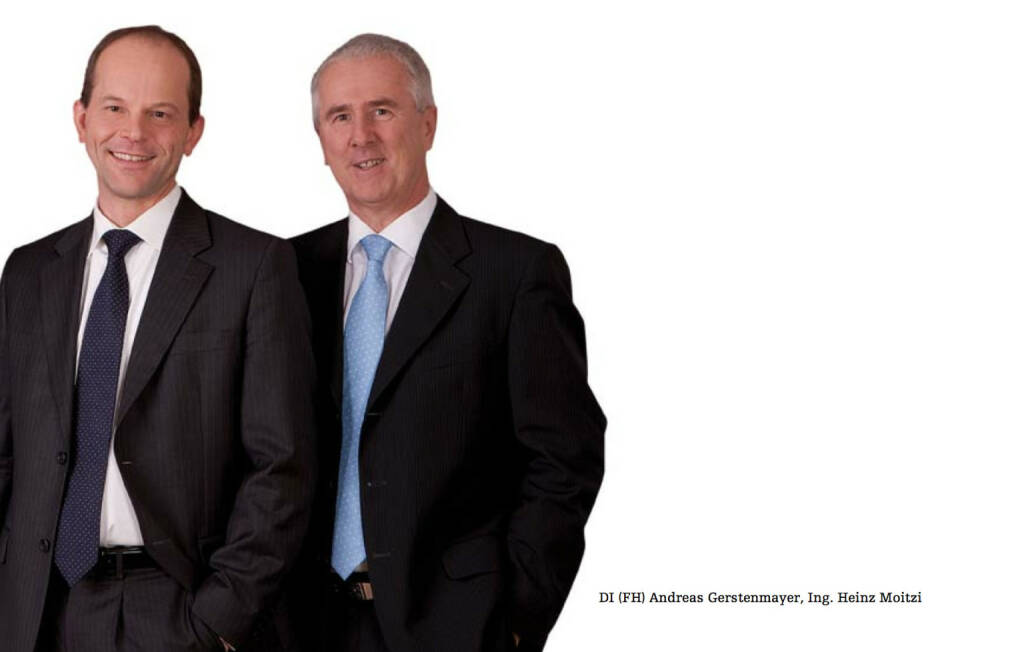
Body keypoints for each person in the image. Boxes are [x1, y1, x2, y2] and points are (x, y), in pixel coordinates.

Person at [0, 25, 316, 652]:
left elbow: (283, 467)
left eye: (161, 114)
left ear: (193, 132)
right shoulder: (28, 271)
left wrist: (218, 623)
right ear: (81, 119)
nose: (134, 133)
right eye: (115, 108)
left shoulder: (254, 266)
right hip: (38, 610)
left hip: (178, 608)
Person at [289, 33, 605, 652]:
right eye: (340, 117)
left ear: (428, 124)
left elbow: (564, 459)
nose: (361, 136)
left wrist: (516, 620)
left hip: (455, 626)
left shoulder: (515, 272)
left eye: (382, 110)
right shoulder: (286, 272)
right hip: (302, 625)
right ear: (321, 139)